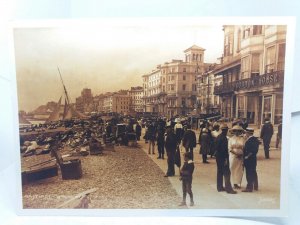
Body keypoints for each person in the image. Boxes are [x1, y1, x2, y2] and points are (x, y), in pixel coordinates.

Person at [215, 124, 237, 194]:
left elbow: (216, 147)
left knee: (219, 172)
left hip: (218, 157)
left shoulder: (218, 137)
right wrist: (225, 159)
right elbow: (224, 150)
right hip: (223, 157)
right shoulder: (224, 139)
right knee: (227, 173)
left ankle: (219, 187)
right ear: (226, 130)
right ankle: (229, 189)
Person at [242, 128, 259, 192]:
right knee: (253, 172)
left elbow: (253, 150)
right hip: (253, 159)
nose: (245, 134)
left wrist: (247, 156)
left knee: (249, 173)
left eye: (246, 133)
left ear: (248, 133)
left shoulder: (251, 140)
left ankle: (249, 187)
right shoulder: (254, 139)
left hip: (249, 159)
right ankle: (255, 186)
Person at [228, 125, 245, 189]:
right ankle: (233, 183)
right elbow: (229, 148)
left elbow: (244, 147)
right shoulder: (231, 139)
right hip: (233, 156)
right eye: (235, 131)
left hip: (240, 156)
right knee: (232, 168)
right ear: (233, 132)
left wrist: (241, 154)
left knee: (239, 169)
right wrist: (236, 153)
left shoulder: (242, 139)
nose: (237, 132)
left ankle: (237, 183)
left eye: (238, 131)